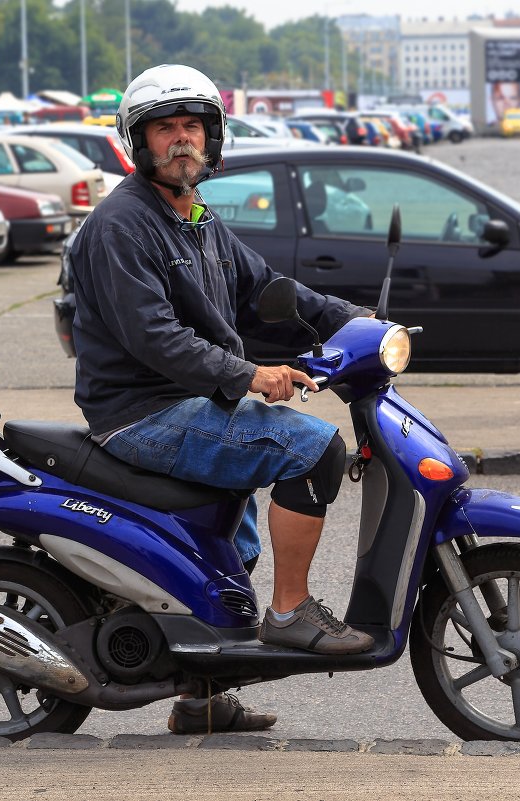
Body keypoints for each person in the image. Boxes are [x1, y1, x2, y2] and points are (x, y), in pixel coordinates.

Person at [69, 63, 375, 733]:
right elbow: (154, 338)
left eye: (192, 127)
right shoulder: (122, 224)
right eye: (164, 128)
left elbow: (270, 290)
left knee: (226, 547)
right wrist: (248, 375)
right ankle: (291, 612)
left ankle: (200, 697)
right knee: (313, 447)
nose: (180, 140)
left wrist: (354, 323)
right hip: (143, 411)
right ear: (137, 141)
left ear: (213, 138)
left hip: (187, 403)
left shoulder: (196, 219)